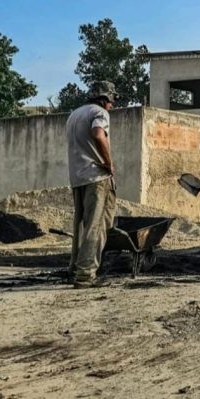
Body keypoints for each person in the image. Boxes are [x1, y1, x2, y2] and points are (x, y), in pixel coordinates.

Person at [65, 81, 117, 288]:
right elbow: (98, 134)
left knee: (81, 225)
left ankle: (75, 268)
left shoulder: (75, 114)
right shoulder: (99, 113)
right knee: (97, 224)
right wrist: (108, 163)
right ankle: (86, 274)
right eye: (112, 100)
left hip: (77, 177)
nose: (112, 104)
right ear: (105, 98)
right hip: (96, 177)